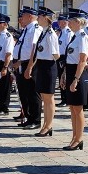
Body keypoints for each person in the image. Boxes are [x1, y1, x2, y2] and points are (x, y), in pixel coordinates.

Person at [25, 7, 60, 137]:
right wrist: (32, 67)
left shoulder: (51, 34)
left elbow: (56, 54)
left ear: (46, 18)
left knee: (49, 98)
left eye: (39, 17)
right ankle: (45, 124)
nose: (38, 18)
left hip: (49, 66)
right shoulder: (43, 32)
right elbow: (38, 52)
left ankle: (48, 125)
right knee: (44, 98)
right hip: (41, 65)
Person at [61, 9, 88, 150]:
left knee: (78, 109)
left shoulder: (83, 36)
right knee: (72, 108)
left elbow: (82, 60)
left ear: (78, 22)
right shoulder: (75, 36)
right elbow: (70, 58)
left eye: (71, 21)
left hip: (79, 73)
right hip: (71, 71)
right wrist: (64, 75)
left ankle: (79, 138)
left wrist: (75, 79)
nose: (69, 23)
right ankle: (74, 137)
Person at [13, 7, 42, 129]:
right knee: (24, 92)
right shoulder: (27, 29)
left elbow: (34, 50)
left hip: (32, 64)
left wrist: (29, 67)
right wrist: (19, 62)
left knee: (33, 93)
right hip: (23, 63)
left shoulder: (35, 29)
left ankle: (35, 120)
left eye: (23, 16)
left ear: (29, 16)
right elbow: (23, 49)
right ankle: (29, 117)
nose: (21, 18)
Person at [0, 14, 14, 115]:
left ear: (5, 24)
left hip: (4, 64)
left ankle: (5, 108)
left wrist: (5, 67)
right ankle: (1, 106)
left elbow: (8, 53)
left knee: (4, 87)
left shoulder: (8, 36)